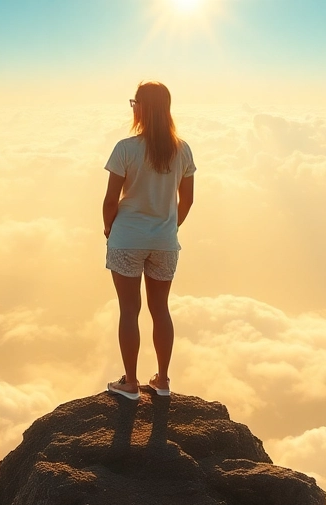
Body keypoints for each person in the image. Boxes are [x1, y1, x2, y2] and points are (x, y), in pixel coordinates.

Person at [101, 81, 196, 401]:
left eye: (134, 102)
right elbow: (188, 200)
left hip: (127, 238)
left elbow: (110, 201)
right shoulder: (182, 149)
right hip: (165, 242)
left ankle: (130, 383)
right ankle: (163, 381)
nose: (132, 108)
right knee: (161, 310)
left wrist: (108, 229)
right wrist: (170, 227)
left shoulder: (125, 149)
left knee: (129, 311)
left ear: (143, 108)